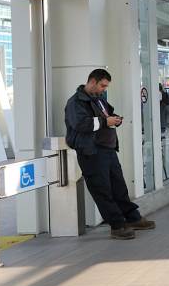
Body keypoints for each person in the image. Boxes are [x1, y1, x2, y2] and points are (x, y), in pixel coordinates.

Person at [64, 68, 156, 241]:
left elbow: (104, 118)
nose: (104, 89)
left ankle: (132, 218)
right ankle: (117, 225)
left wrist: (114, 119)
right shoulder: (75, 102)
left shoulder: (98, 99)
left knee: (119, 187)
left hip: (107, 149)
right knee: (102, 190)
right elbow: (81, 124)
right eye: (102, 86)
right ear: (92, 81)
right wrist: (106, 121)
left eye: (105, 87)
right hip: (91, 152)